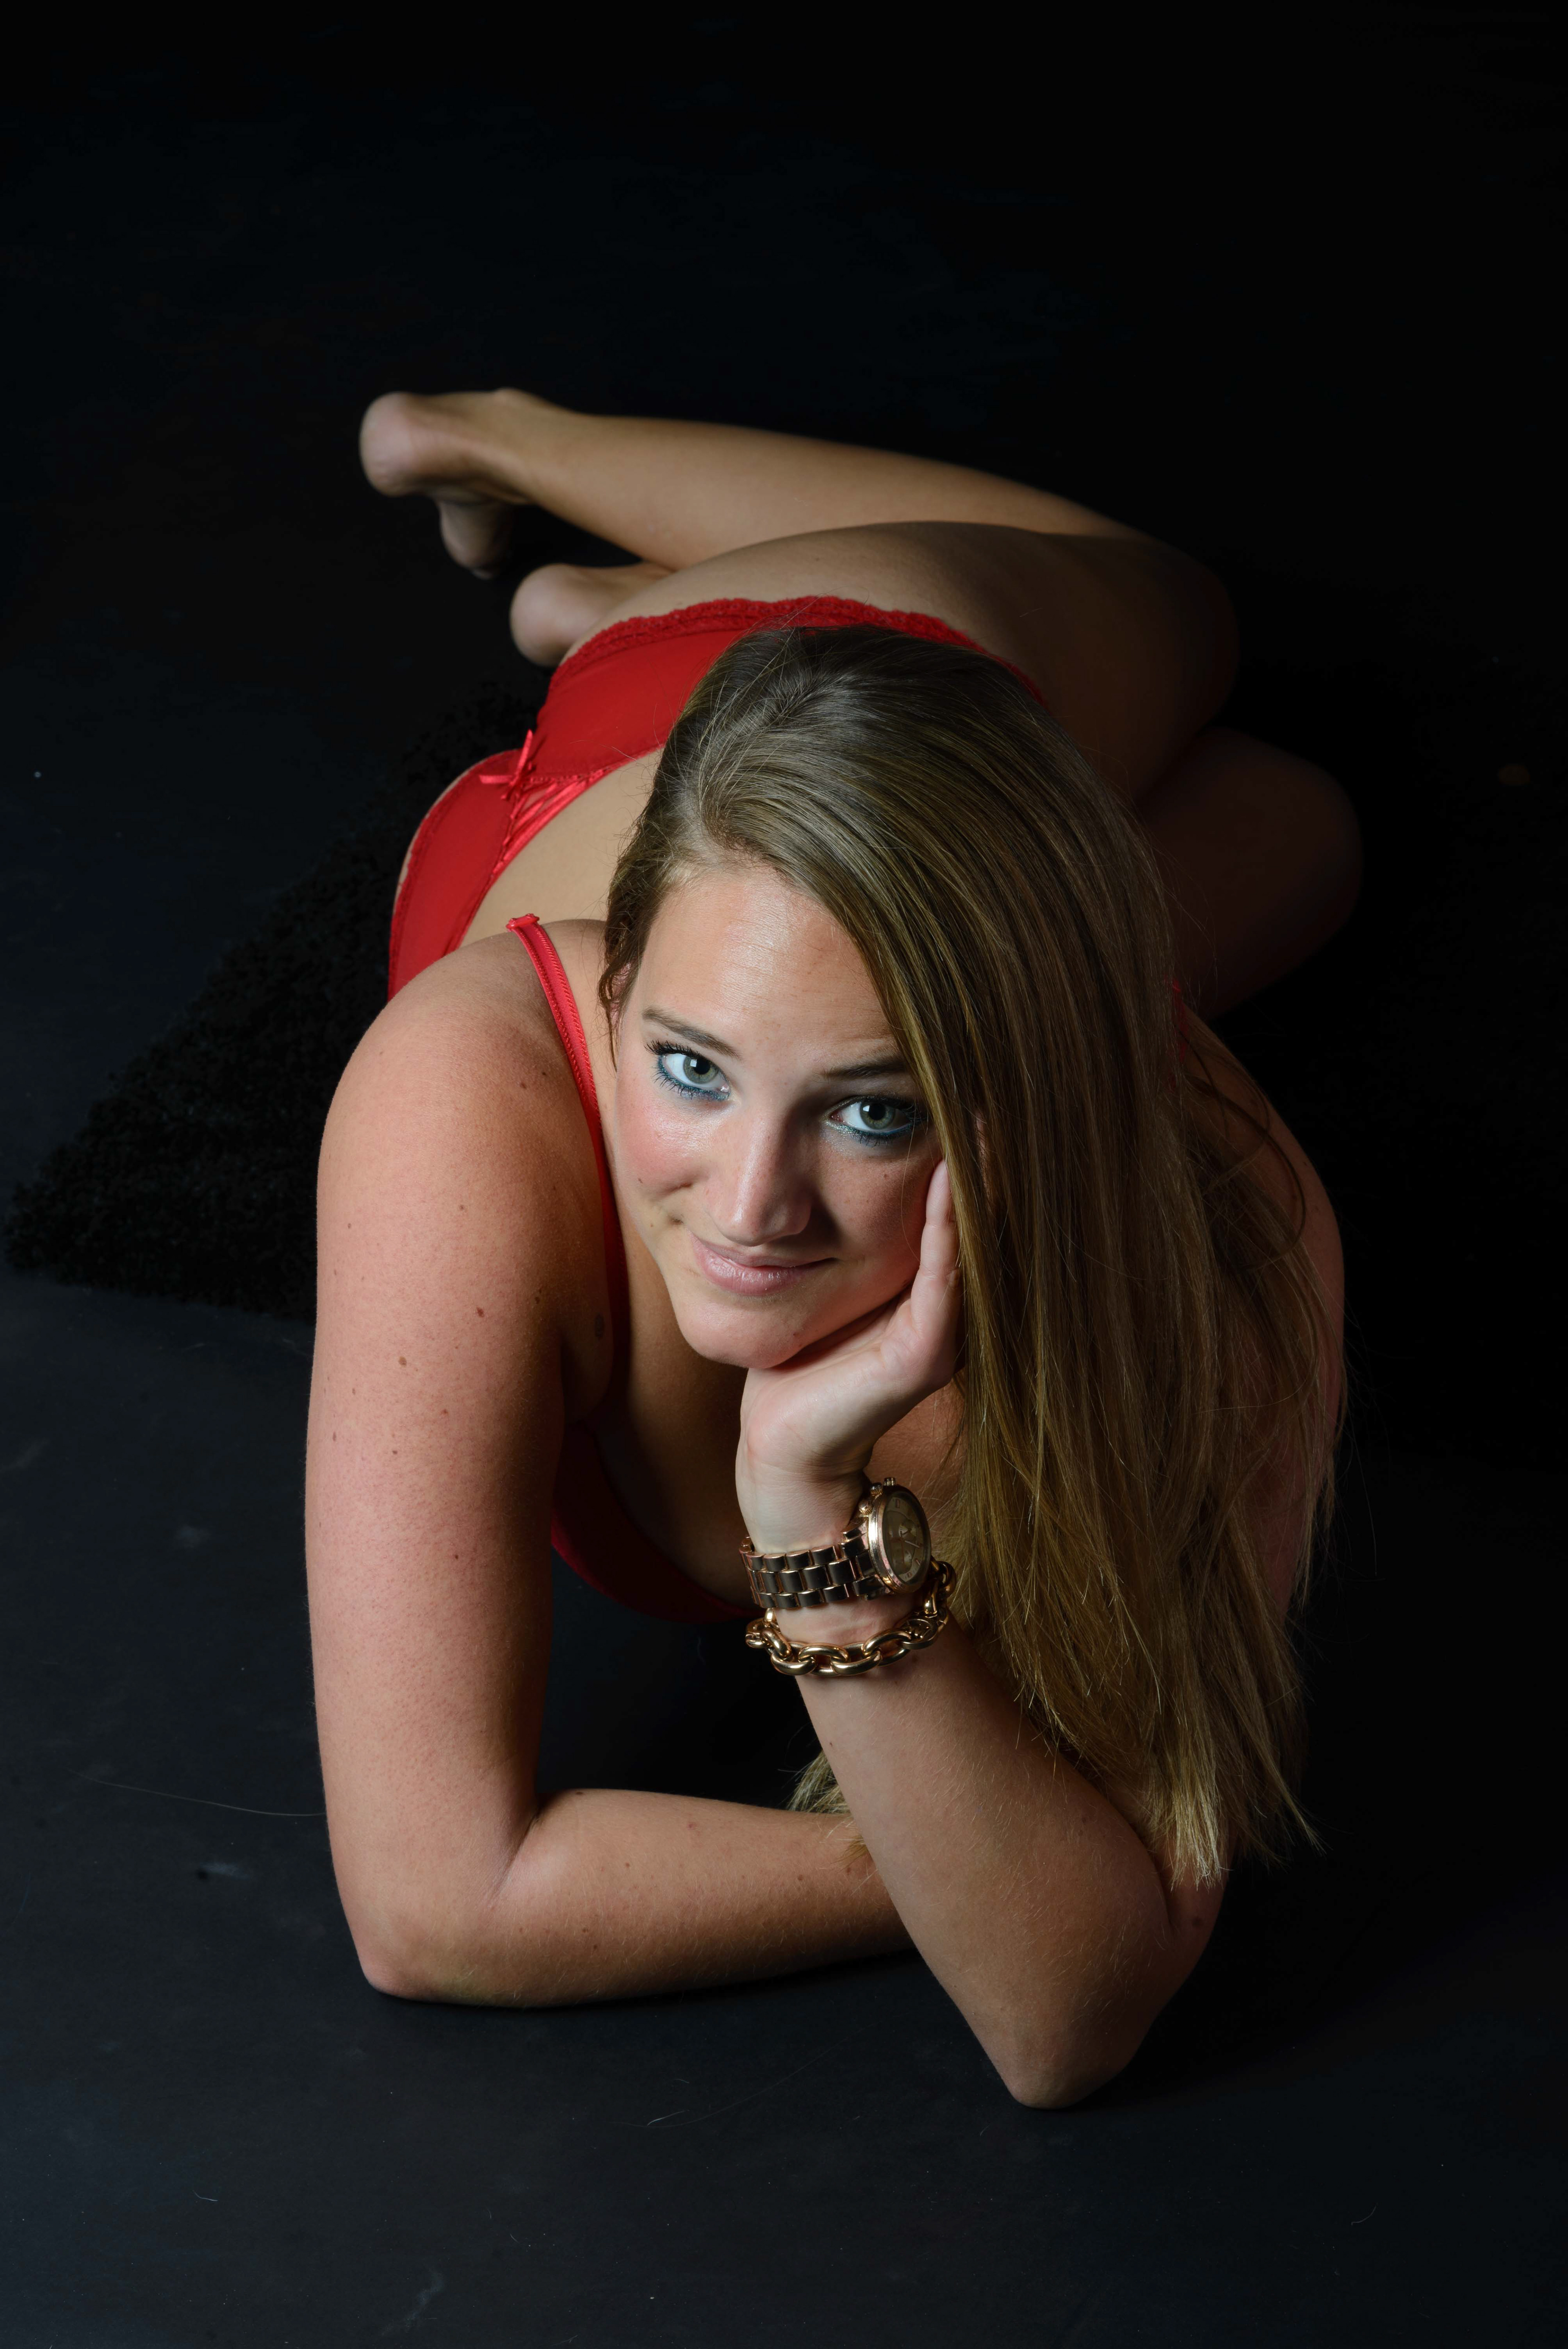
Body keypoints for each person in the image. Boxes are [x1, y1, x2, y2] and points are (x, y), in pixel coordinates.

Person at [304, 388, 1359, 2106]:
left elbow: (1065, 2025)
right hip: (705, 720)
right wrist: (1003, 1869)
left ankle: (594, 579)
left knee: (1300, 814)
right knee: (1208, 658)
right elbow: (437, 1908)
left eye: (875, 1112)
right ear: (624, 998)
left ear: (1034, 1105)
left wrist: (810, 1520)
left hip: (935, 765)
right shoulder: (469, 1104)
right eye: (690, 1074)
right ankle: (488, 439)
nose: (748, 1209)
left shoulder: (1230, 1231)